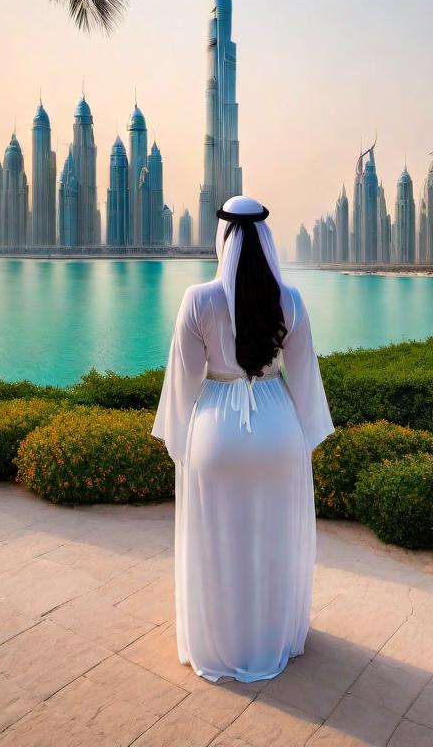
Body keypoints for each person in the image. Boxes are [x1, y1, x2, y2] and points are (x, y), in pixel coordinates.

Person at [152, 195, 334, 683]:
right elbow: (307, 383)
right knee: (274, 539)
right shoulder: (290, 301)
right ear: (265, 238)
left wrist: (181, 439)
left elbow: (182, 386)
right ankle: (271, 636)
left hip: (217, 432)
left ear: (223, 236)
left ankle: (220, 641)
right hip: (278, 430)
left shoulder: (198, 300)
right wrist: (301, 438)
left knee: (217, 540)